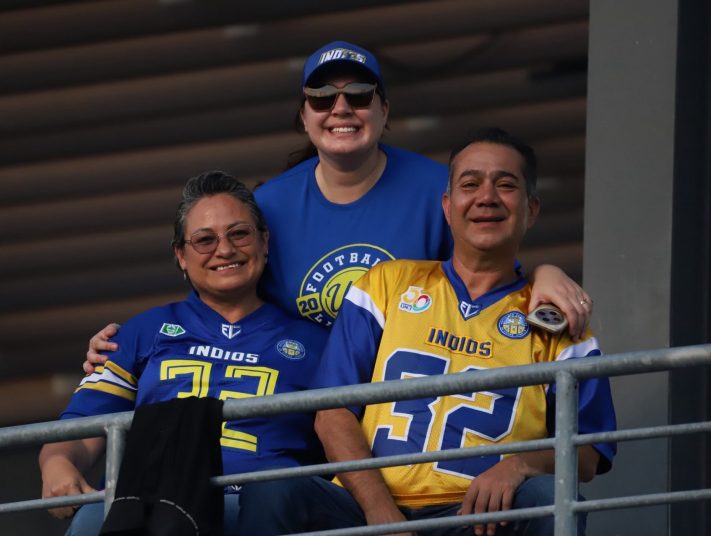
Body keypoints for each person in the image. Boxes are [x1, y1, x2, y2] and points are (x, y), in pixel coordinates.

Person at [83, 41, 593, 374]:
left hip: (414, 400)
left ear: (385, 111)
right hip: (301, 399)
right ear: (304, 118)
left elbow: (490, 266)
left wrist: (542, 273)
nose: (341, 108)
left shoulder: (436, 188)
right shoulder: (266, 205)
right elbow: (215, 295)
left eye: (360, 94)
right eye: (322, 97)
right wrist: (125, 351)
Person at [238, 128, 617, 536]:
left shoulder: (558, 322)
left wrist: (519, 465)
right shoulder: (386, 284)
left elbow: (588, 451)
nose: (487, 197)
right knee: (273, 488)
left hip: (478, 519)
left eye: (506, 185)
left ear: (532, 209)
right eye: (470, 184)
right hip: (366, 509)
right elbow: (332, 414)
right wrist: (381, 513)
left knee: (549, 496)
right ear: (447, 206)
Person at [38, 171, 329, 536]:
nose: (225, 250)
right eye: (205, 240)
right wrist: (58, 464)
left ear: (264, 241)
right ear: (180, 256)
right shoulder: (140, 332)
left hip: (266, 511)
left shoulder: (317, 342)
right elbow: (82, 426)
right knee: (93, 520)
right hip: (159, 505)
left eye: (239, 234)